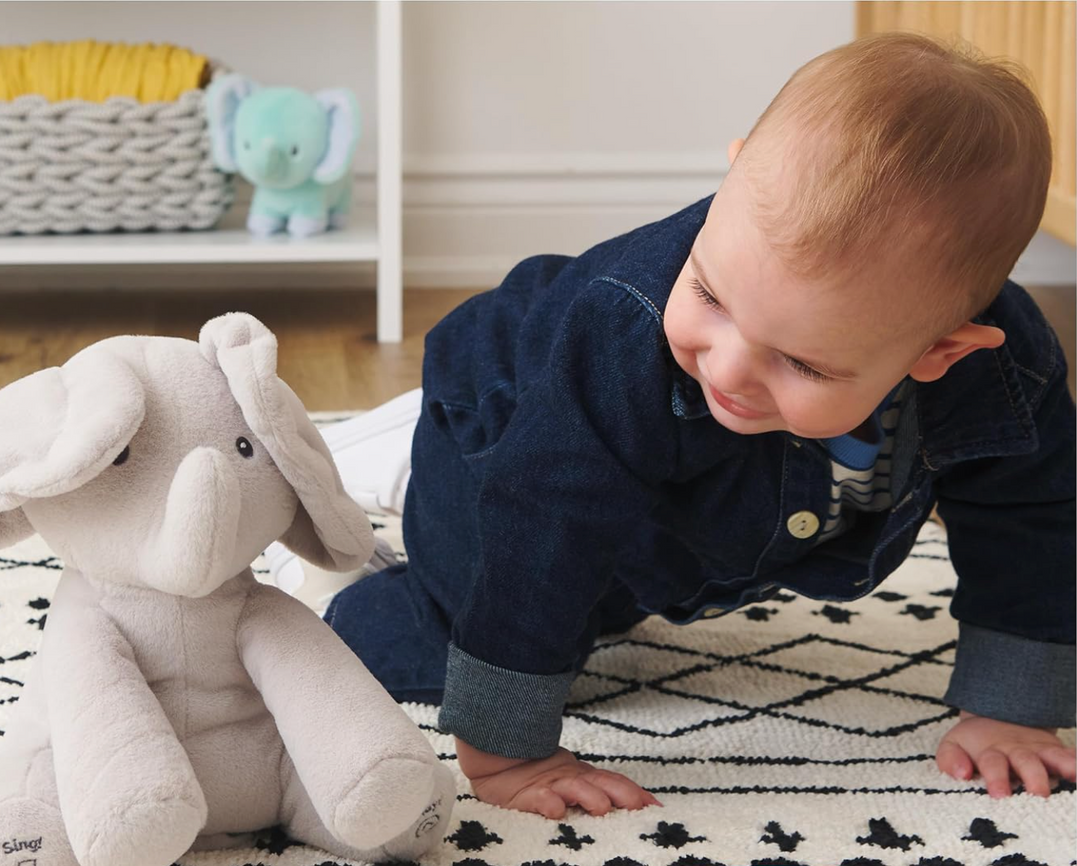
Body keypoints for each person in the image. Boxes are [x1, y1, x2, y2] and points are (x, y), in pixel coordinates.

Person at [269, 33, 1077, 818]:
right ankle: (381, 506)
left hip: (662, 521)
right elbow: (547, 527)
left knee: (597, 603)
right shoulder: (622, 331)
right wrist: (509, 749)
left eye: (802, 363)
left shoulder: (1008, 378)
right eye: (712, 296)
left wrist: (1012, 704)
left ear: (941, 351)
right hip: (511, 443)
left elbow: (1033, 521)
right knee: (443, 648)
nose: (724, 367)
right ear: (729, 184)